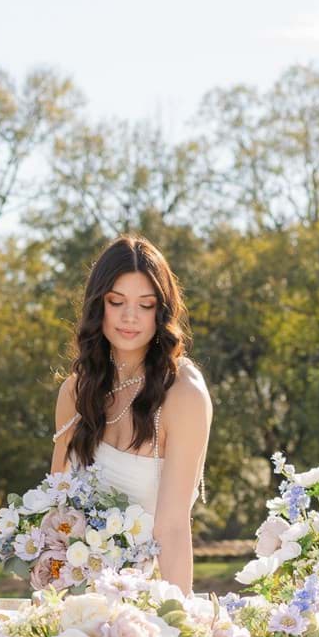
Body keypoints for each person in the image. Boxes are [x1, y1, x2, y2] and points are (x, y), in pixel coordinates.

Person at [50, 234, 211, 589]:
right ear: (99, 305)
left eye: (145, 304)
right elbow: (54, 510)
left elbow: (172, 526)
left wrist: (179, 627)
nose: (129, 317)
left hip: (141, 601)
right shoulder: (75, 392)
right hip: (69, 597)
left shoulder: (182, 393)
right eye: (116, 301)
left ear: (162, 310)